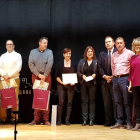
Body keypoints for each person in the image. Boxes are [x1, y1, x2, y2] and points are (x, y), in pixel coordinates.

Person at [111, 37, 134, 130]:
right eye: (117, 43)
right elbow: (112, 67)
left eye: (121, 43)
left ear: (124, 44)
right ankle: (119, 121)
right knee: (117, 101)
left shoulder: (130, 53)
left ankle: (129, 122)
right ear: (115, 45)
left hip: (125, 78)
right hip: (116, 79)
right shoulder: (114, 55)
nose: (119, 44)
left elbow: (133, 67)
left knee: (127, 101)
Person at [28, 37, 53, 125]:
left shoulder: (49, 52)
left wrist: (44, 76)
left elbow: (50, 64)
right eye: (44, 43)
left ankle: (46, 119)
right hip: (36, 76)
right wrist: (39, 75)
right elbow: (30, 64)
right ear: (39, 43)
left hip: (46, 77)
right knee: (37, 97)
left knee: (45, 97)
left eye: (47, 43)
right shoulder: (33, 52)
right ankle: (36, 119)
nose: (46, 44)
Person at [0, 40, 22, 124]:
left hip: (14, 78)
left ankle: (14, 118)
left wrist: (8, 75)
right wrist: (4, 75)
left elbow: (18, 67)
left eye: (11, 44)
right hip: (3, 79)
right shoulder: (2, 56)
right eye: (8, 44)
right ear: (5, 46)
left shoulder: (18, 55)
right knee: (3, 99)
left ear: (14, 46)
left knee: (15, 99)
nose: (9, 46)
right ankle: (3, 118)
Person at [98, 36, 117, 126]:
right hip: (104, 82)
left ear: (113, 43)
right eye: (106, 42)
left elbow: (119, 66)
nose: (108, 43)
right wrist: (105, 76)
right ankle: (109, 121)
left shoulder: (117, 53)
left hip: (115, 81)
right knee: (107, 103)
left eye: (109, 41)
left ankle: (118, 121)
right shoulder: (102, 54)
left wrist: (113, 77)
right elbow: (99, 67)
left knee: (116, 102)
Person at [77, 46, 97, 126]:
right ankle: (84, 120)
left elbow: (99, 72)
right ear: (86, 53)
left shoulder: (96, 61)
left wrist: (95, 75)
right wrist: (82, 76)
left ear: (93, 53)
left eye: (91, 52)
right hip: (83, 84)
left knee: (92, 101)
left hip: (93, 84)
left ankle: (91, 120)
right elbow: (78, 72)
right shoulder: (82, 61)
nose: (90, 53)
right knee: (84, 101)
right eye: (88, 52)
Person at [55, 48, 76, 126]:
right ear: (63, 54)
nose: (68, 55)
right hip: (61, 85)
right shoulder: (59, 64)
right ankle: (59, 120)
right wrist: (62, 82)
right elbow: (56, 76)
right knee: (61, 102)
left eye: (69, 53)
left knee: (69, 103)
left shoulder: (73, 63)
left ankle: (67, 120)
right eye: (67, 53)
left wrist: (74, 81)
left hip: (71, 86)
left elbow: (76, 74)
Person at [128, 37, 140, 131]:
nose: (138, 47)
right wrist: (130, 84)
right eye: (136, 45)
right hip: (135, 83)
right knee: (137, 104)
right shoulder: (132, 58)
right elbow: (131, 72)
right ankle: (138, 123)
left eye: (139, 45)